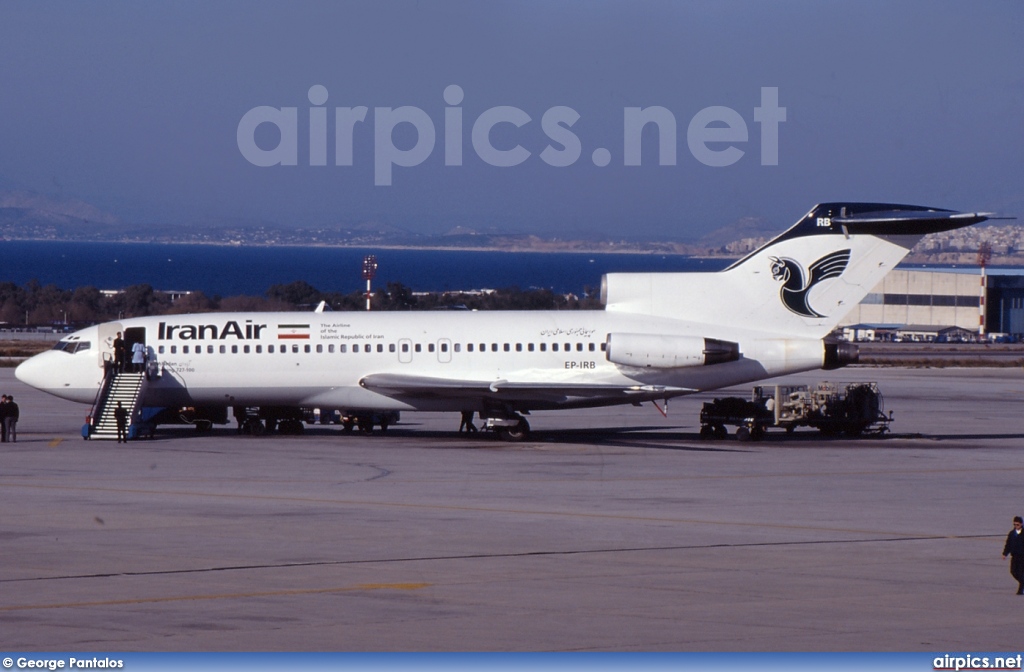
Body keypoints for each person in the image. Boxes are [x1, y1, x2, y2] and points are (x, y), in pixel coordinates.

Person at [1002, 515, 1024, 595]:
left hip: (1022, 556)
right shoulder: (1012, 533)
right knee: (1013, 572)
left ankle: (1020, 590)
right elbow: (1008, 544)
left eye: (1017, 524)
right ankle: (1023, 583)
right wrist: (1005, 553)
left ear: (1021, 524)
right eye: (1014, 524)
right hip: (1014, 556)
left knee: (1020, 572)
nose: (1016, 526)